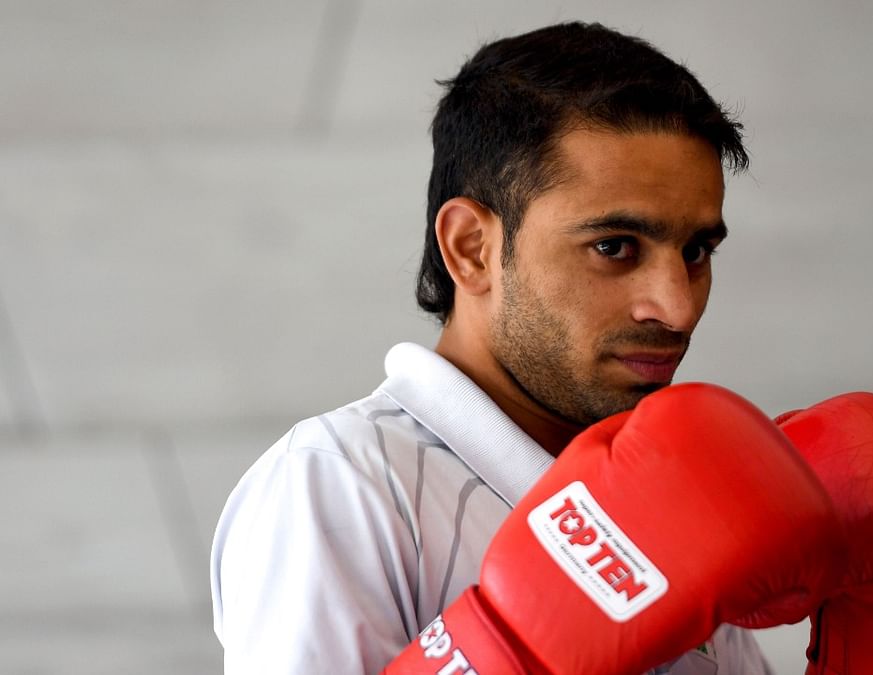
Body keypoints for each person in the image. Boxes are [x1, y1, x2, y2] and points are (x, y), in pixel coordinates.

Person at [210, 21, 780, 674]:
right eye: (614, 246)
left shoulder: (676, 505)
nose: (676, 305)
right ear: (471, 248)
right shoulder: (345, 483)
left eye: (696, 251)